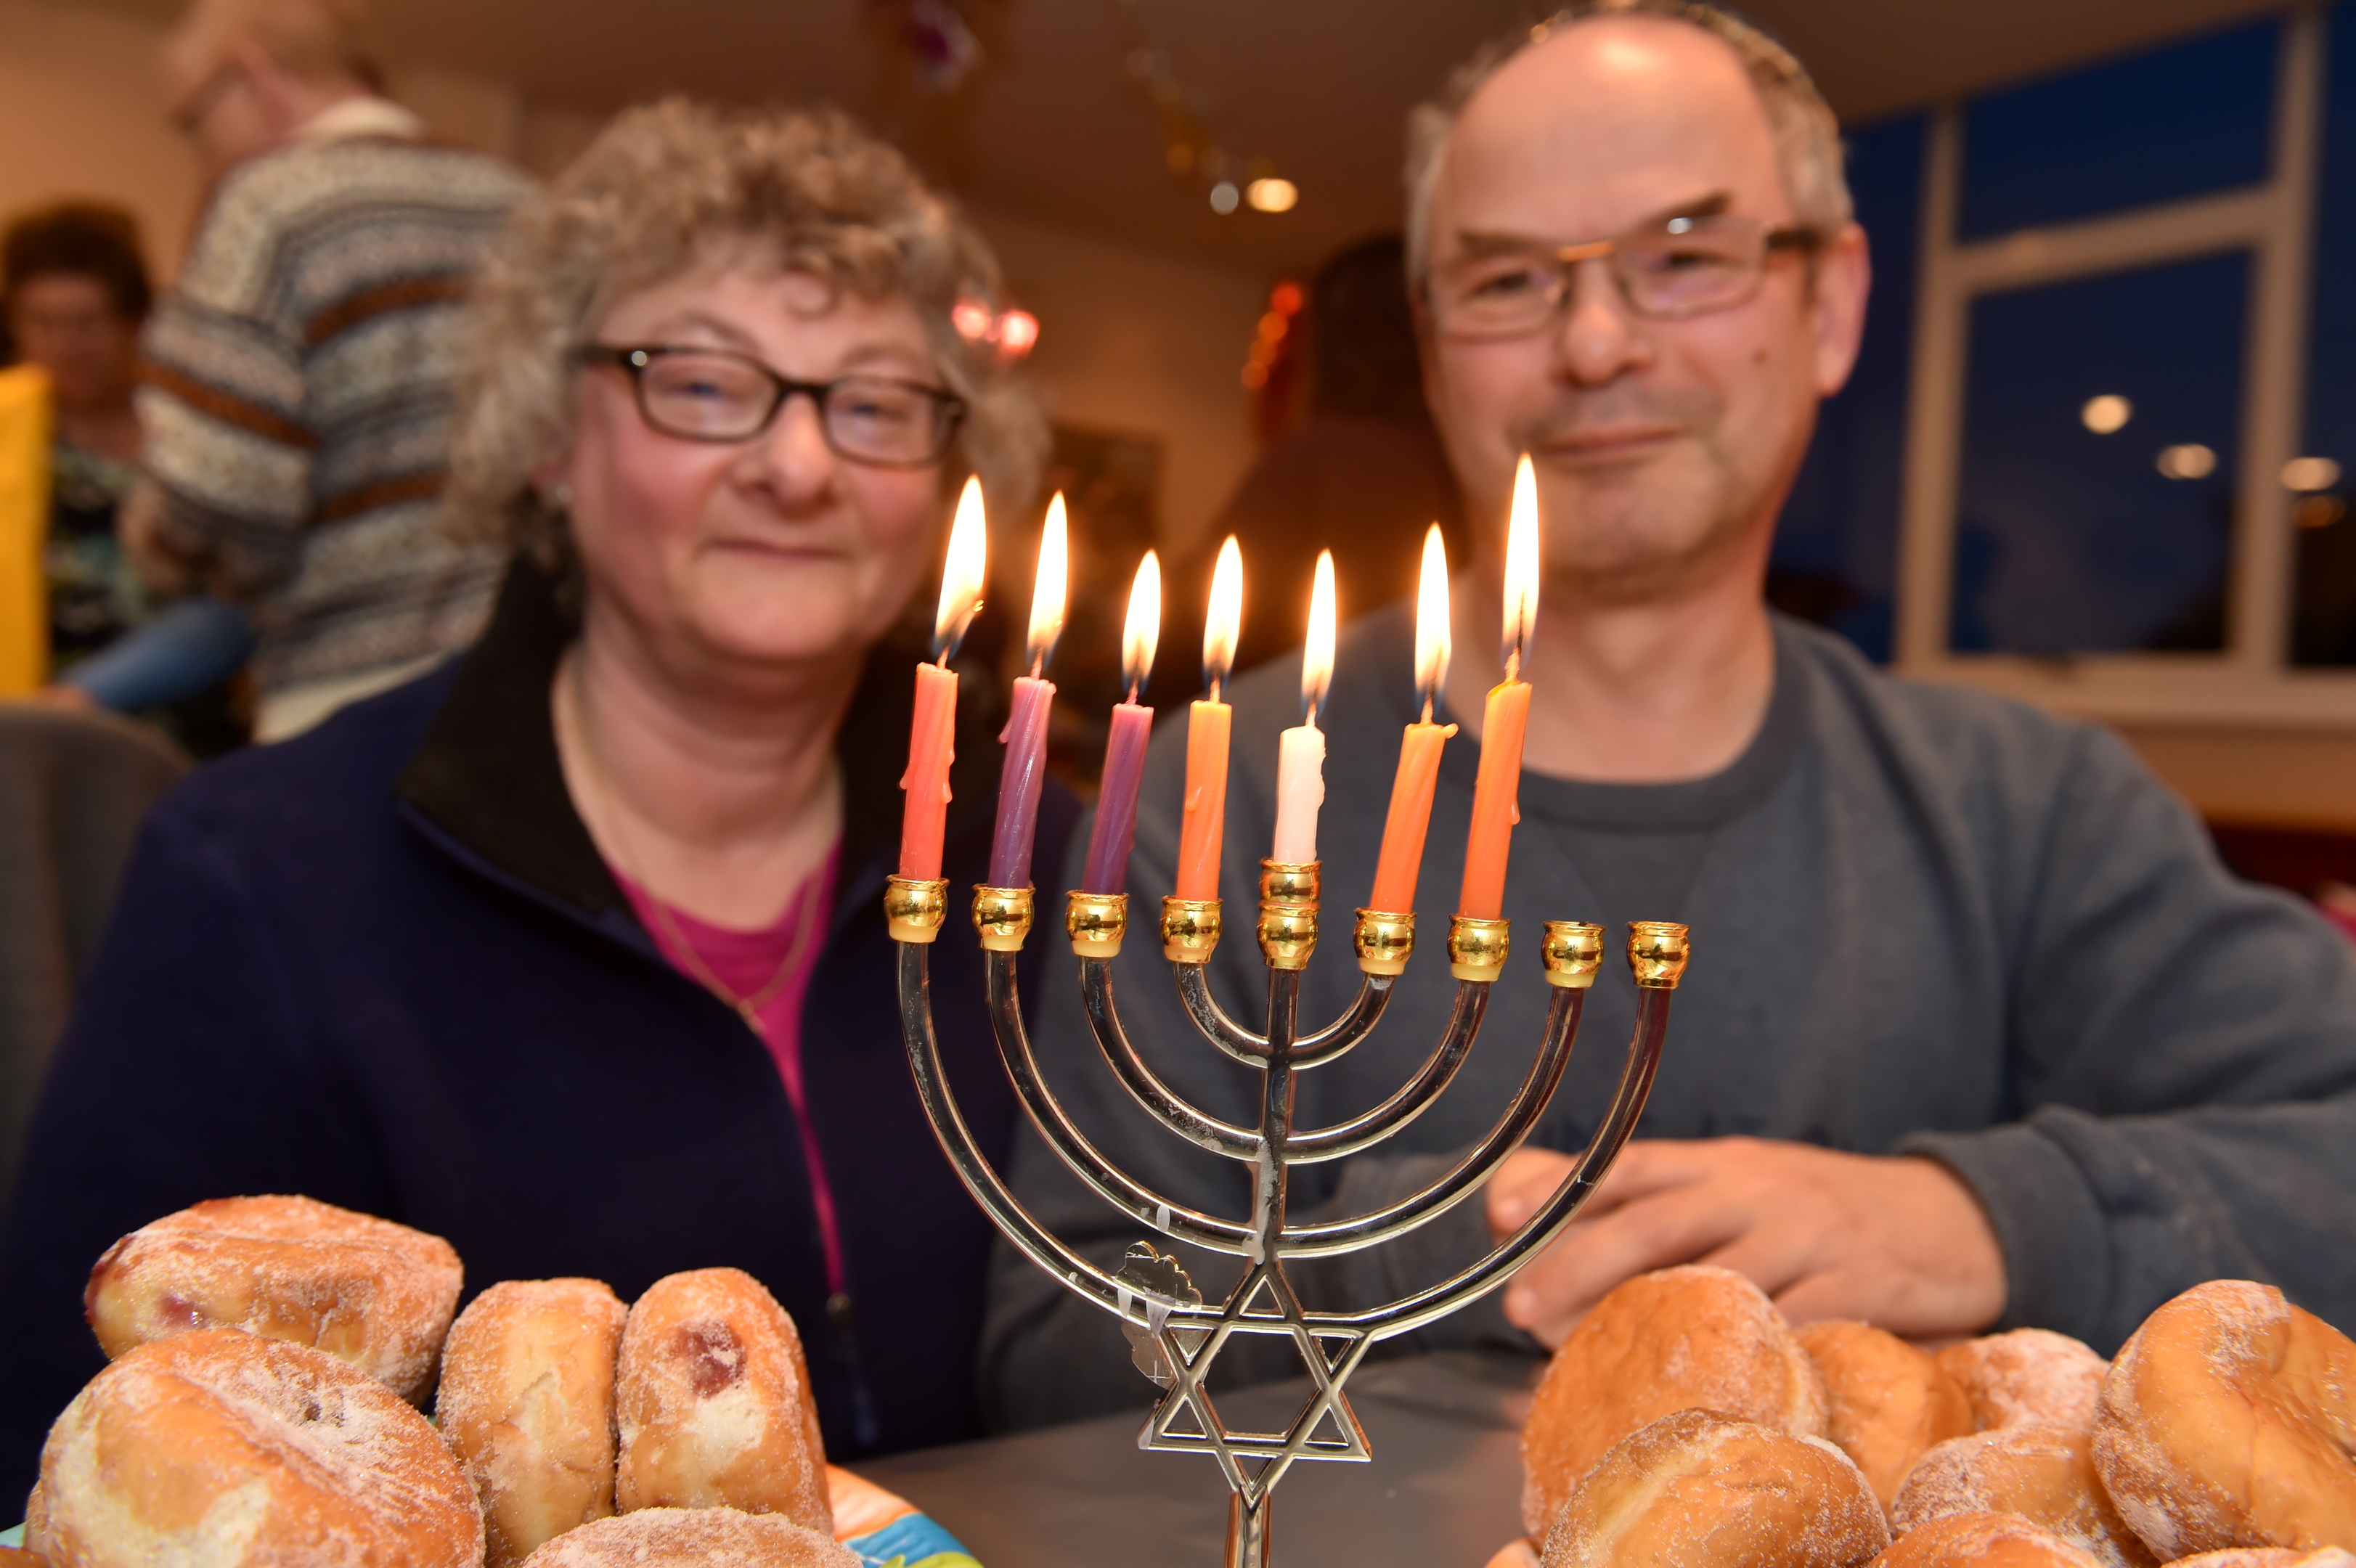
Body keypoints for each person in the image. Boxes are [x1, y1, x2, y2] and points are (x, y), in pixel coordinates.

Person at [982, 0, 2356, 1429]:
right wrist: (1455, 1241)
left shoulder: (2025, 810)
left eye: (1682, 260)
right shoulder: (1222, 794)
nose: (1591, 344)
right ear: (1431, 341)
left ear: (1826, 306)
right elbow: (1059, 1347)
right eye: (1505, 279)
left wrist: (1980, 1217)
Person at [0, 99, 1067, 1501]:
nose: (799, 466)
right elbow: (68, 1441)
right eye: (699, 381)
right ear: (548, 438)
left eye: (873, 404)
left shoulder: (1052, 865)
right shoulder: (262, 876)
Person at [129, 0, 528, 741]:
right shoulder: (524, 202)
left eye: (192, 121)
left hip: (344, 700)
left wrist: (157, 548)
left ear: (254, 75)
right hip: (525, 694)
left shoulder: (271, 204)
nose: (200, 150)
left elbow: (221, 484)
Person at [1, 203, 253, 751]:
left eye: (87, 323)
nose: (65, 346)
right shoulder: (7, 428)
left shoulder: (198, 434)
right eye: (42, 324)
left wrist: (88, 694)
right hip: (35, 750)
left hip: (185, 742)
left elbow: (241, 597)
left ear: (136, 319)